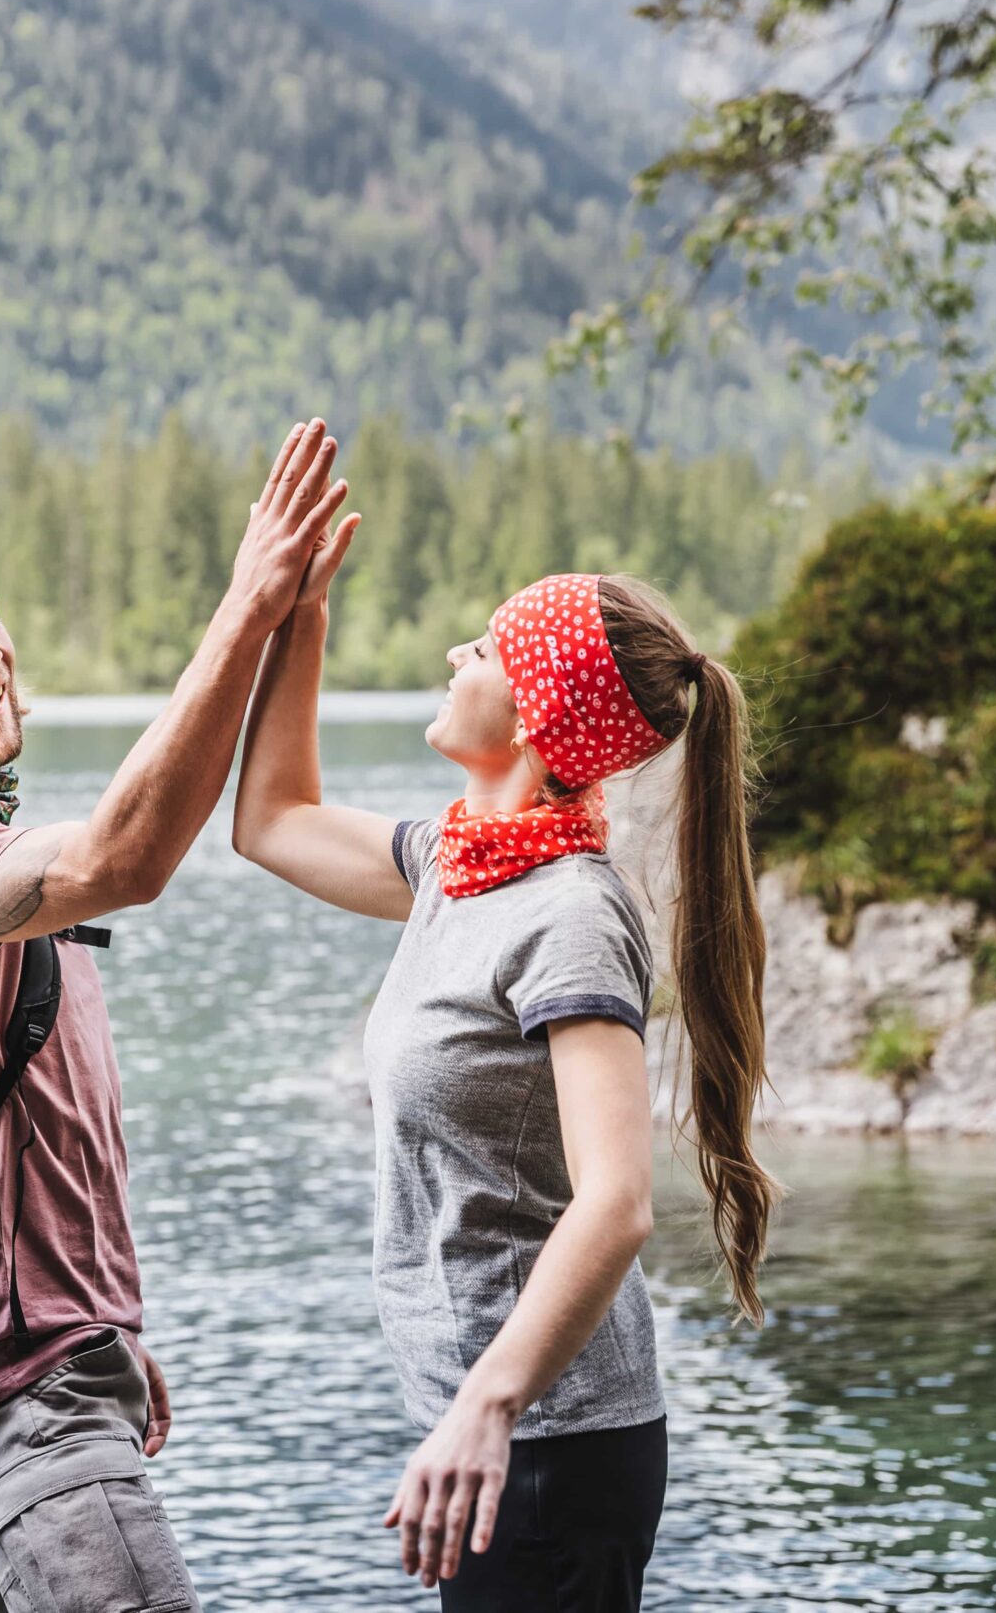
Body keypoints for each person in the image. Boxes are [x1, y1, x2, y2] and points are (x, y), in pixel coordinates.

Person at [0, 420, 348, 1613]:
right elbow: (123, 859)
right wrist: (246, 607)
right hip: (24, 1389)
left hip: (19, 1366)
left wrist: (106, 1329)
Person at [231, 550, 775, 1613]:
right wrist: (303, 615)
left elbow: (616, 1202)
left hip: (547, 1446)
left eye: (482, 647)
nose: (453, 653)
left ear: (533, 714)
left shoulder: (568, 915)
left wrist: (488, 1407)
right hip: (491, 1425)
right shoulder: (461, 864)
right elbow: (270, 822)